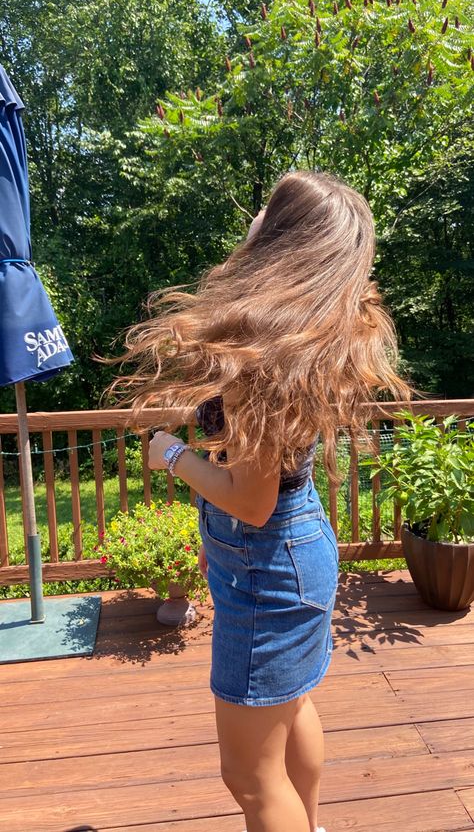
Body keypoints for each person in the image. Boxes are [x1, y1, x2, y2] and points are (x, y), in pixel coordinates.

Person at [107, 169, 412, 832]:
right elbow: (263, 477)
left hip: (267, 568)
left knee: (248, 775)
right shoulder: (300, 340)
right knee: (293, 704)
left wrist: (174, 456)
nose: (253, 216)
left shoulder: (267, 356)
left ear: (283, 236)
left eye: (267, 208)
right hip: (294, 556)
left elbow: (251, 503)